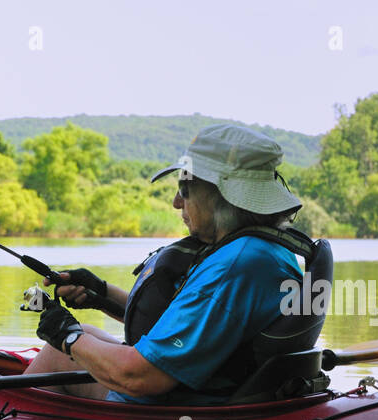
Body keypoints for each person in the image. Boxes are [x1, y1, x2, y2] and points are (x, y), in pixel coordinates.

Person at [26, 124, 309, 404]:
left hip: (180, 413)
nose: (176, 202)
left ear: (222, 196)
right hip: (212, 392)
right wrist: (101, 294)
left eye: (185, 189)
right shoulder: (262, 250)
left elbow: (141, 376)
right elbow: (198, 326)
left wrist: (66, 336)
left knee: (58, 353)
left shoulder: (235, 266)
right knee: (87, 334)